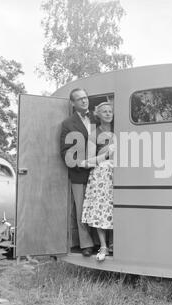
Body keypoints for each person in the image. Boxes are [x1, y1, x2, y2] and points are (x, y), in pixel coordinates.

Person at [60, 88, 96, 257]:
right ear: (73, 103)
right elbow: (65, 152)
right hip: (79, 173)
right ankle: (86, 244)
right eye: (80, 99)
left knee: (98, 206)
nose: (84, 101)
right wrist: (82, 164)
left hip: (99, 171)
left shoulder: (96, 118)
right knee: (82, 209)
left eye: (85, 97)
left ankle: (99, 242)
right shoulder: (68, 124)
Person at [81, 102, 115, 261]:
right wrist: (107, 155)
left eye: (110, 111)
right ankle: (103, 246)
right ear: (98, 115)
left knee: (115, 208)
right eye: (105, 112)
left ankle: (115, 243)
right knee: (100, 210)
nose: (108, 114)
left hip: (117, 174)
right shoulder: (94, 134)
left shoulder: (119, 130)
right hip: (101, 175)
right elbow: (89, 161)